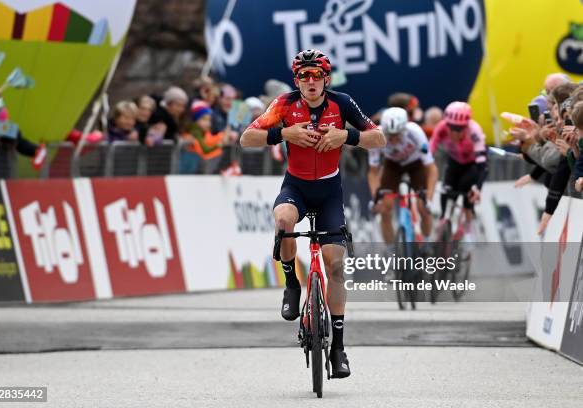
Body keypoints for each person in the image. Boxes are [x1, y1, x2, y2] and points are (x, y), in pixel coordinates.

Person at [240, 49, 385, 378]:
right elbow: (246, 138)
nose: (310, 81)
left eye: (316, 75)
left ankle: (338, 348)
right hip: (297, 188)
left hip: (330, 192)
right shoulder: (284, 104)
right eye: (303, 76)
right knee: (283, 222)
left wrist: (346, 135)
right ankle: (292, 284)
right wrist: (282, 134)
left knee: (335, 267)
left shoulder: (342, 103)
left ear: (326, 79)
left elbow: (379, 139)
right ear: (296, 81)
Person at [368, 107, 438, 244]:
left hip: (416, 164)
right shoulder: (376, 136)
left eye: (398, 135)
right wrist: (376, 197)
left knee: (422, 206)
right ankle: (391, 250)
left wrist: (428, 198)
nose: (393, 140)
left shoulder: (416, 132)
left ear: (404, 131)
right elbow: (373, 172)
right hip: (392, 165)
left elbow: (432, 169)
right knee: (385, 208)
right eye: (390, 136)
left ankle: (428, 241)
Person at [430, 101, 487, 226]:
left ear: (466, 126)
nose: (455, 132)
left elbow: (483, 165)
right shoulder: (441, 128)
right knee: (446, 191)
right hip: (454, 162)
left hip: (472, 165)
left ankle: (468, 230)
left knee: (467, 194)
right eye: (452, 127)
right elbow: (430, 152)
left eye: (460, 128)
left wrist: (478, 188)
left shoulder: (474, 131)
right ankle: (443, 223)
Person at [179, 101, 225, 174]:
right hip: (187, 173)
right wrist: (218, 143)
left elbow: (210, 140)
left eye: (209, 120)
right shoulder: (192, 134)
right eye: (204, 119)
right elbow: (204, 150)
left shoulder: (204, 133)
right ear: (195, 120)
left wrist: (223, 136)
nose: (208, 123)